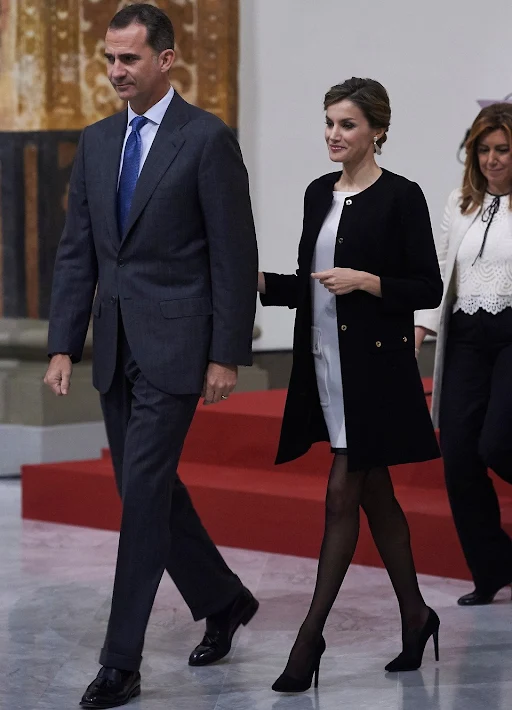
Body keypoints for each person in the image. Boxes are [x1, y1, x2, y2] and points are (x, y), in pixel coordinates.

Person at [43, 4, 259, 708]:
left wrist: (226, 352)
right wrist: (61, 343)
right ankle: (223, 599)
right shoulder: (98, 140)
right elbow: (79, 252)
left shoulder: (206, 140)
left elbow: (234, 254)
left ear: (166, 60)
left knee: (140, 501)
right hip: (112, 347)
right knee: (149, 491)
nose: (114, 72)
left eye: (128, 59)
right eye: (110, 59)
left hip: (177, 349)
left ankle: (121, 663)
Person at [258, 77, 443, 693]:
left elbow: (428, 289)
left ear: (377, 131)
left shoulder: (402, 196)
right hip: (324, 365)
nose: (334, 136)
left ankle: (309, 639)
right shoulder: (318, 193)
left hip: (375, 372)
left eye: (347, 125)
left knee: (343, 494)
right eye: (330, 123)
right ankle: (416, 616)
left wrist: (369, 282)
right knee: (376, 498)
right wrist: (260, 283)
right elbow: (315, 282)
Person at [415, 102, 512, 607]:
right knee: (457, 455)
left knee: (497, 444)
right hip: (466, 337)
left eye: (502, 150)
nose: (492, 160)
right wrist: (421, 328)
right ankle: (494, 565)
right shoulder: (460, 201)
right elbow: (440, 269)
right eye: (483, 150)